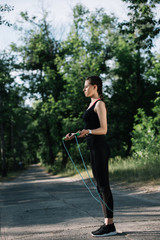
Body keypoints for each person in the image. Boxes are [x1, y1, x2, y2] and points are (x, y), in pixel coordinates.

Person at [64, 76, 117, 237]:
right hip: (93, 148)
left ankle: (110, 225)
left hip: (100, 148)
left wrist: (89, 132)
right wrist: (75, 134)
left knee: (103, 186)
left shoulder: (100, 104)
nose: (84, 89)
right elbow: (90, 127)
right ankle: (107, 223)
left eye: (86, 87)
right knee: (99, 187)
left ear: (95, 87)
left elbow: (103, 129)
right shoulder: (91, 104)